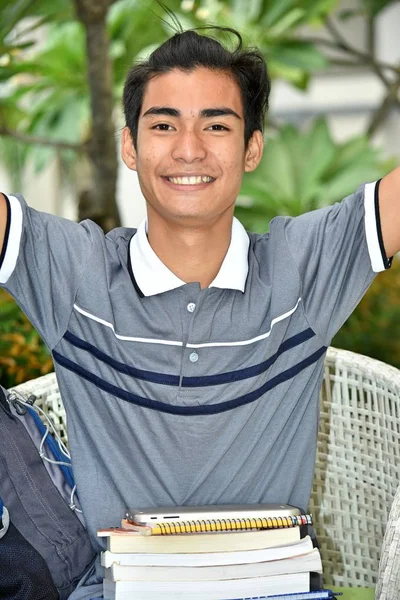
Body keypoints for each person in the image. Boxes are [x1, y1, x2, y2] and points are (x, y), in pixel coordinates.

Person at [0, 27, 399, 599]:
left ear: (252, 148)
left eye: (216, 125)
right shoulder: (75, 274)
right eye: (163, 125)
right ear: (130, 147)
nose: (189, 149)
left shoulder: (302, 267)